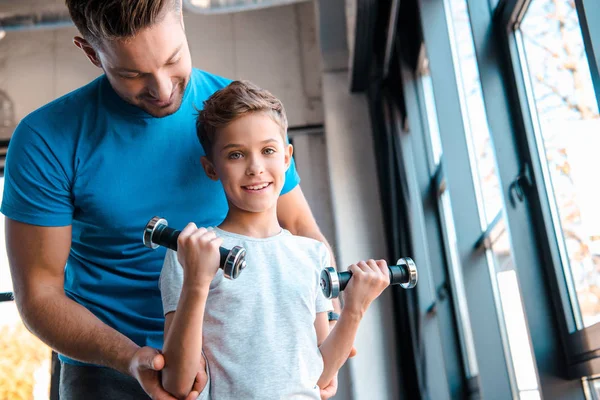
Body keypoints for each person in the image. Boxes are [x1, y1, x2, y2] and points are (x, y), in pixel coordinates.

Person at [1, 1, 340, 399]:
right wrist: (130, 357)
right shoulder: (45, 139)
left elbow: (301, 231)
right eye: (133, 74)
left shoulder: (235, 117)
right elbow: (40, 296)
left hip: (235, 361)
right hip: (107, 369)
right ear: (91, 53)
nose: (161, 89)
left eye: (173, 60)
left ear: (181, 16)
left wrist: (324, 330)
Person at [159, 80, 390, 399]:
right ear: (211, 168)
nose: (255, 168)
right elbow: (176, 384)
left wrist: (354, 310)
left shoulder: (313, 254)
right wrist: (197, 282)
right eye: (236, 154)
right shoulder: (193, 251)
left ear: (286, 158)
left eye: (268, 150)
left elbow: (321, 378)